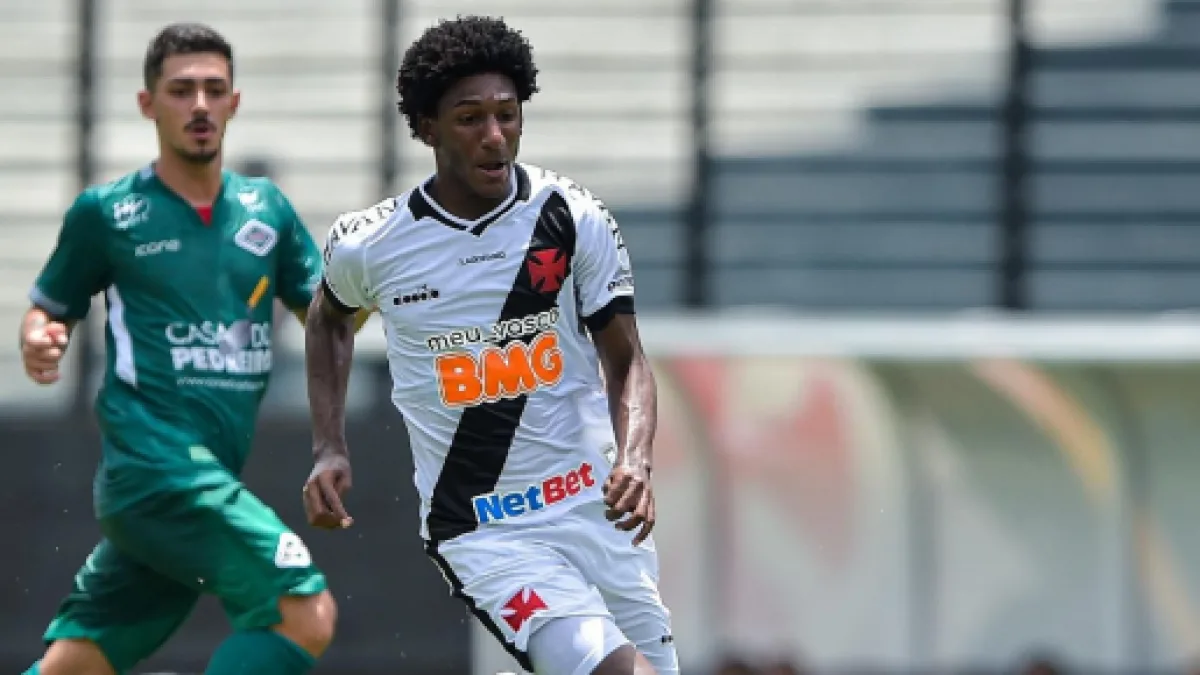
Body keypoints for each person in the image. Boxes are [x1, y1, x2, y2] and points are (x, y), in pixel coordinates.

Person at [303, 14, 680, 675]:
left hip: (595, 510)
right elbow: (329, 319)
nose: (495, 135)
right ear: (427, 128)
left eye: (507, 114)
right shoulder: (373, 244)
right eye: (470, 118)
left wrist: (636, 459)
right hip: (484, 529)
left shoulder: (570, 216)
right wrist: (329, 444)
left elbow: (626, 360)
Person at [18, 22, 363, 675]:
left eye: (213, 89)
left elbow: (332, 318)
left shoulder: (268, 211)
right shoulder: (107, 213)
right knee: (304, 612)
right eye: (181, 90)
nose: (199, 105)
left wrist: (399, 286)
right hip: (152, 469)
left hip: (202, 480)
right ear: (148, 103)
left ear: (234, 102)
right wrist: (38, 336)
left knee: (78, 662)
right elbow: (48, 308)